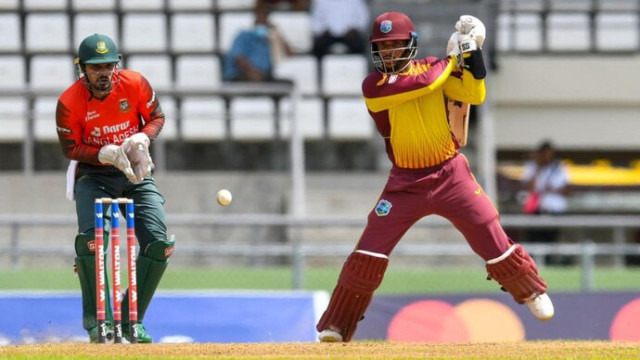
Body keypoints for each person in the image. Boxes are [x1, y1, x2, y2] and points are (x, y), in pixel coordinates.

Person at [315, 12, 555, 343]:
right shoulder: (374, 85)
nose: (388, 53)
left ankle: (531, 291)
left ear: (409, 45)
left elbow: (474, 95)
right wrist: (453, 56)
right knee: (369, 252)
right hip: (404, 184)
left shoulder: (431, 66)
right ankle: (337, 326)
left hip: (449, 173)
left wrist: (472, 55)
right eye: (383, 47)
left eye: (395, 45)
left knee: (489, 230)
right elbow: (424, 84)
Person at [56, 33, 175, 343]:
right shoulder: (69, 102)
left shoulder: (135, 84)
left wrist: (142, 139)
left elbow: (157, 117)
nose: (104, 72)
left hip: (134, 170)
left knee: (160, 243)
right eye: (96, 67)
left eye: (109, 65)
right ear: (82, 69)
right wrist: (101, 154)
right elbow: (71, 147)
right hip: (95, 175)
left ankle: (129, 321)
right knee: (93, 243)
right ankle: (99, 322)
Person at [521, 140, 571, 264]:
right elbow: (529, 186)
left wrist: (552, 189)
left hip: (554, 209)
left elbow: (567, 188)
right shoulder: (532, 166)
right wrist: (537, 167)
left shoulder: (559, 167)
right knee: (533, 239)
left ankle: (550, 263)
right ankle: (532, 265)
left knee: (551, 240)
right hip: (536, 208)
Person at [223, 5, 293, 82]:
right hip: (243, 75)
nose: (262, 20)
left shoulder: (269, 41)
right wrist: (253, 72)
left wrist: (277, 33)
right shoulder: (244, 35)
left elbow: (290, 53)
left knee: (287, 84)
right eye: (260, 17)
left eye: (264, 18)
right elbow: (238, 58)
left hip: (263, 76)